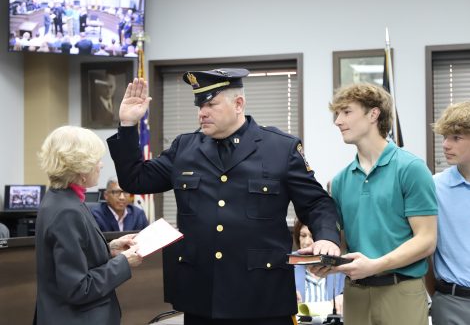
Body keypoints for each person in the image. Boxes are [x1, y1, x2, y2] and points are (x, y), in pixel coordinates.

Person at [107, 70, 341, 325]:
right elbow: (136, 179)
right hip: (202, 297)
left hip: (262, 297)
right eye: (199, 105)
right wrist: (129, 125)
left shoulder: (280, 148)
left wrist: (327, 238)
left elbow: (316, 202)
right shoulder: (184, 148)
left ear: (238, 104)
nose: (202, 113)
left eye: (210, 104)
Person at [328, 83, 438, 325]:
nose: (337, 121)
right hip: (355, 294)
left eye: (346, 112)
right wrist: (324, 262)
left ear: (373, 114)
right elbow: (344, 243)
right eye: (337, 114)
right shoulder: (339, 182)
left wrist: (375, 265)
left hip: (400, 291)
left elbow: (426, 240)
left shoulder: (411, 169)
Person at [34, 125, 142, 325]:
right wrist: (123, 262)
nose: (101, 166)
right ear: (81, 169)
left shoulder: (59, 199)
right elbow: (78, 288)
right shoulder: (68, 211)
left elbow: (74, 257)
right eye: (97, 160)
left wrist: (109, 250)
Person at [425, 101, 470, 325]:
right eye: (444, 137)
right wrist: (440, 296)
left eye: (456, 138)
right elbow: (424, 250)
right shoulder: (433, 187)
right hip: (451, 302)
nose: (445, 145)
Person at [293, 219, 345, 314]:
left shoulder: (340, 268)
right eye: (303, 236)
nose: (307, 242)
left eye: (312, 236)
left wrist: (344, 298)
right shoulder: (289, 265)